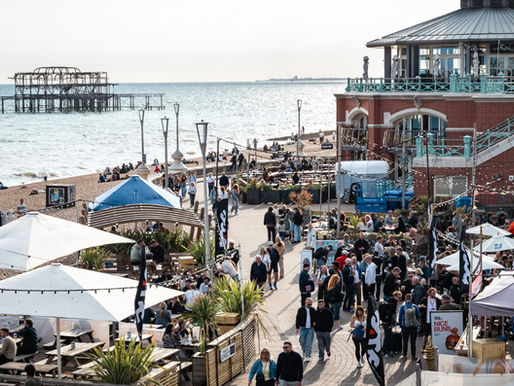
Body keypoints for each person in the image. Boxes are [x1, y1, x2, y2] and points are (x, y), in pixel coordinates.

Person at [398, 293, 421, 360]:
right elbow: (419, 315)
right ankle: (413, 356)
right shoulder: (415, 306)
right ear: (411, 299)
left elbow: (399, 317)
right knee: (413, 342)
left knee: (405, 341)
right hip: (414, 326)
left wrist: (401, 325)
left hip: (405, 326)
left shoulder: (402, 307)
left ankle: (404, 356)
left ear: (405, 299)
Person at [382, 290, 402, 357]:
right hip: (388, 322)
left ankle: (386, 350)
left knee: (388, 336)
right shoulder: (393, 303)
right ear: (395, 296)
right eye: (399, 297)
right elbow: (390, 314)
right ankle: (385, 351)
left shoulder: (391, 301)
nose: (400, 299)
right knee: (387, 337)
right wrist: (390, 324)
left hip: (385, 321)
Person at [295, 297, 315, 361]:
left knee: (309, 342)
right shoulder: (300, 309)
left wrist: (315, 322)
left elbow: (315, 317)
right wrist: (297, 328)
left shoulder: (312, 310)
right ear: (305, 303)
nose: (309, 306)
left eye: (310, 304)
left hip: (310, 329)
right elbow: (298, 318)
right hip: (303, 328)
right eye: (308, 304)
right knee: (302, 341)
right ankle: (304, 351)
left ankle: (308, 355)